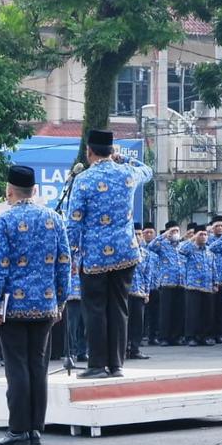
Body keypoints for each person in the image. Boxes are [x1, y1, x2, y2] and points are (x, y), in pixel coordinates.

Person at [0, 165, 71, 445]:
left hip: (14, 305)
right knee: (38, 366)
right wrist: (60, 300)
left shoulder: (5, 221)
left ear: (9, 190)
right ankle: (35, 428)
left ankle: (18, 428)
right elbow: (64, 263)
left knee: (17, 367)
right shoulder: (54, 218)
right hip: (46, 304)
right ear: (34, 190)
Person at [65, 130, 154, 378]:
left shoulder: (82, 179)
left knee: (94, 309)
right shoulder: (127, 173)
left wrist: (71, 257)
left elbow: (74, 223)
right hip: (126, 252)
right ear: (111, 151)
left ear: (89, 151)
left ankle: (96, 365)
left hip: (95, 256)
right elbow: (148, 170)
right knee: (119, 307)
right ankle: (116, 365)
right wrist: (124, 159)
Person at [178, 225, 217, 346]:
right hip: (193, 286)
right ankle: (190, 337)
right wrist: (192, 238)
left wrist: (215, 282)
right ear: (196, 235)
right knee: (192, 313)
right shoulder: (190, 249)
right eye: (201, 234)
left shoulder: (209, 250)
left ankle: (205, 336)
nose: (204, 237)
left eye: (205, 234)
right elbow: (181, 250)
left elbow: (213, 267)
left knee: (207, 313)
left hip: (207, 286)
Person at [126, 227, 153, 361]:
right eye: (135, 234)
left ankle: (135, 349)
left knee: (138, 323)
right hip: (125, 293)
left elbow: (148, 274)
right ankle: (123, 349)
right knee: (124, 322)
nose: (137, 236)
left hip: (139, 292)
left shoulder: (146, 254)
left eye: (139, 234)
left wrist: (147, 292)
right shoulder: (124, 252)